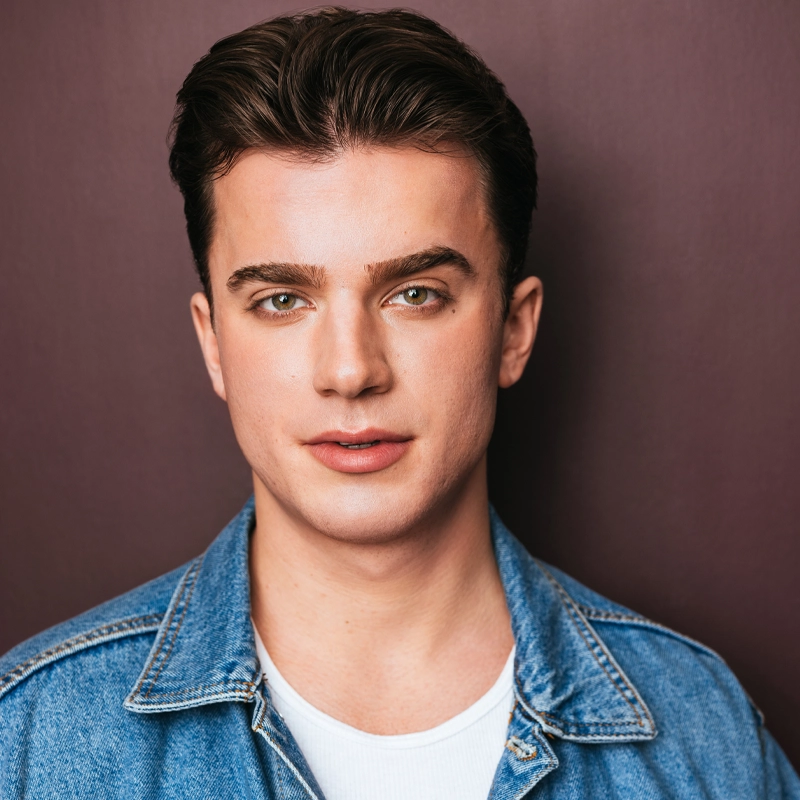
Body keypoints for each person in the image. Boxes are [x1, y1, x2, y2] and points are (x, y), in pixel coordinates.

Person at [0, 7, 797, 798]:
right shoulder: (31, 736)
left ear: (513, 332)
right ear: (214, 343)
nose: (350, 371)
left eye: (415, 293)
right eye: (282, 300)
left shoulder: (703, 733)